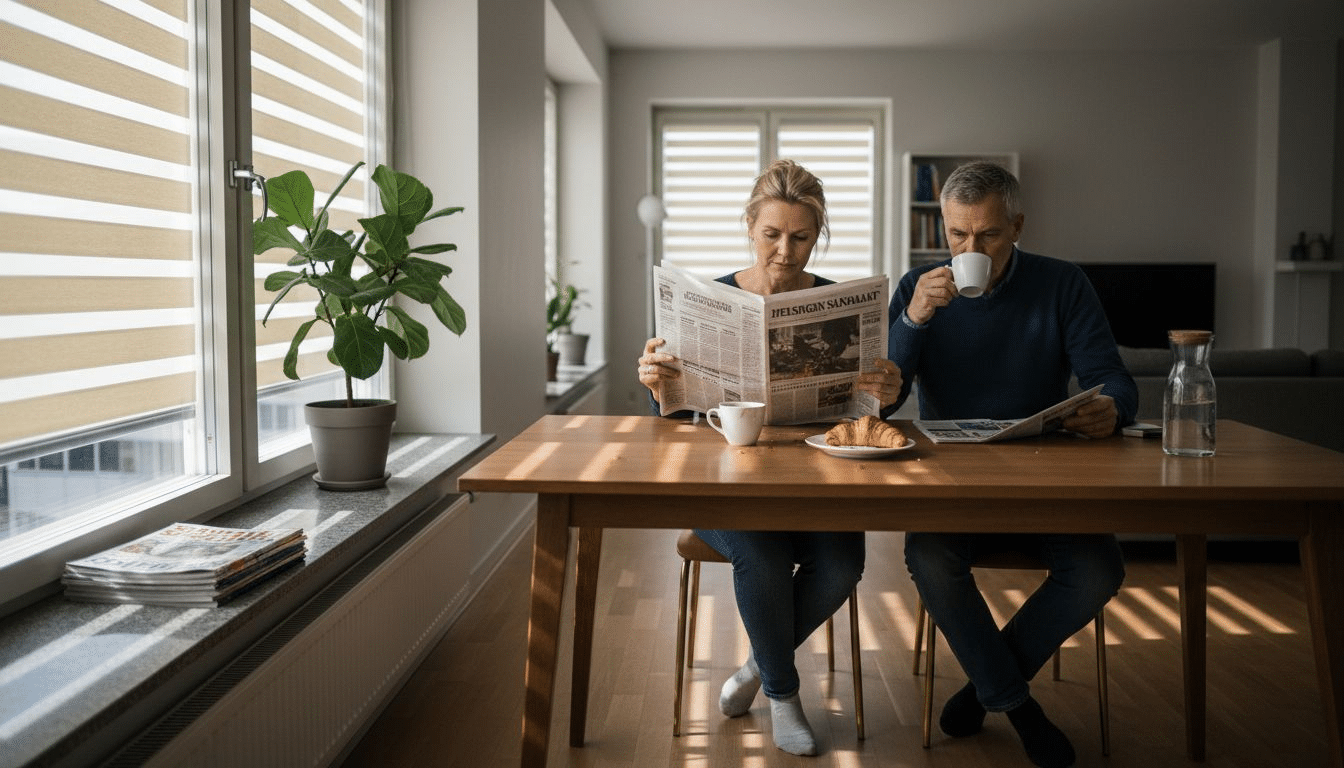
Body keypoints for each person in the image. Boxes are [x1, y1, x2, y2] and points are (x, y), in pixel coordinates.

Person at [636, 159, 903, 756]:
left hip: (816, 480)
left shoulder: (836, 306)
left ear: (818, 235)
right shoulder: (708, 300)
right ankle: (783, 695)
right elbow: (675, 416)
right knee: (762, 550)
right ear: (749, 227)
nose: (785, 251)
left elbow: (867, 409)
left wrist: (888, 388)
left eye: (801, 237)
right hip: (722, 482)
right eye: (772, 234)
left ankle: (756, 667)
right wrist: (657, 385)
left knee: (842, 565)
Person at [885, 161, 1138, 768]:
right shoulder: (918, 287)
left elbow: (1115, 379)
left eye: (988, 234)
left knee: (1099, 569)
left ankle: (983, 687)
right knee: (929, 557)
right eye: (957, 235)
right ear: (943, 229)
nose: (970, 249)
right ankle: (1018, 707)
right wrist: (913, 319)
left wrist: (1110, 409)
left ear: (1017, 227)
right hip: (955, 480)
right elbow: (884, 400)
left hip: (1043, 477)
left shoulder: (1062, 283)